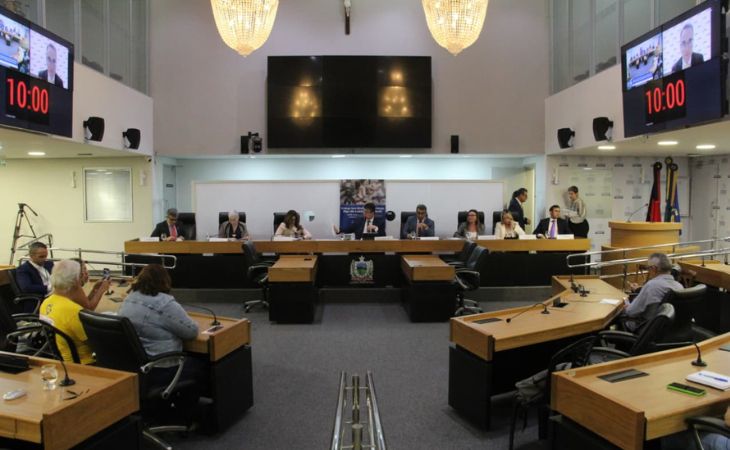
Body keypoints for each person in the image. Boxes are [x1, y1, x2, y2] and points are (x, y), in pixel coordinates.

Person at [118, 264, 205, 390]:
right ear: (164, 281)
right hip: (162, 369)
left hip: (136, 368)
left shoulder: (129, 298)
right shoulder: (164, 303)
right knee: (204, 365)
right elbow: (192, 332)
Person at [39, 260, 102, 364]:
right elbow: (98, 345)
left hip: (62, 361)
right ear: (76, 281)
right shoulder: (73, 312)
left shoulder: (46, 303)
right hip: (85, 364)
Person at [621, 253, 683, 331]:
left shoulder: (651, 285)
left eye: (648, 268)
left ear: (654, 268)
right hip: (669, 330)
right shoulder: (679, 286)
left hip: (645, 329)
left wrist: (626, 307)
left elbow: (631, 312)